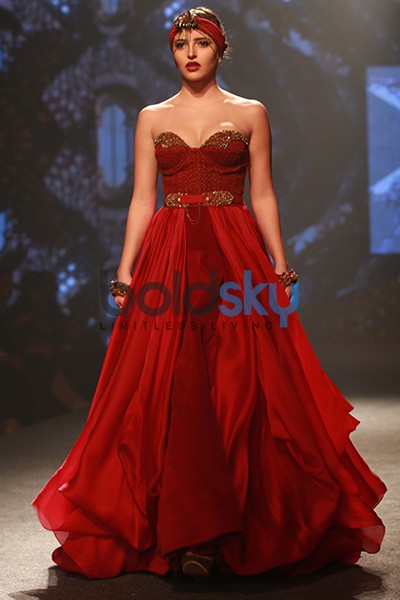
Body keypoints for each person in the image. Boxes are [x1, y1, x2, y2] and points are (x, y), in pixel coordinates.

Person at [32, 6, 386, 582]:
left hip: (233, 253)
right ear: (172, 52)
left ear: (221, 50)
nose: (190, 52)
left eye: (201, 42)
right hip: (170, 255)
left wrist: (279, 262)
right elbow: (142, 198)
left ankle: (246, 521)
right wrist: (125, 270)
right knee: (171, 383)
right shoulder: (151, 117)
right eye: (181, 44)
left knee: (243, 380)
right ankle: (186, 527)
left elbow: (262, 192)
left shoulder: (250, 112)